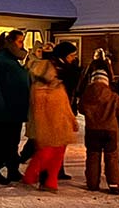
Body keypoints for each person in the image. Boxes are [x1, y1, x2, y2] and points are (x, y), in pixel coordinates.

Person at [21, 42, 78, 191]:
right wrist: (41, 126)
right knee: (46, 152)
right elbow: (38, 109)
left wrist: (71, 118)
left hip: (60, 122)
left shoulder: (59, 82)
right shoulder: (41, 86)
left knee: (57, 152)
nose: (74, 59)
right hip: (49, 123)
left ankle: (49, 180)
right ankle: (36, 176)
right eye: (72, 55)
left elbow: (65, 102)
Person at [0, 29, 29, 185]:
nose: (22, 45)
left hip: (15, 108)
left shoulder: (14, 59)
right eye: (19, 41)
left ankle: (12, 169)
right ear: (10, 42)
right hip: (4, 109)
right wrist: (0, 103)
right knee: (0, 139)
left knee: (13, 140)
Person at [79, 58, 119, 194]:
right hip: (110, 131)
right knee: (112, 158)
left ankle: (92, 183)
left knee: (93, 157)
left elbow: (81, 109)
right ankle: (114, 184)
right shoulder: (113, 96)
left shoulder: (86, 96)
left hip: (92, 130)